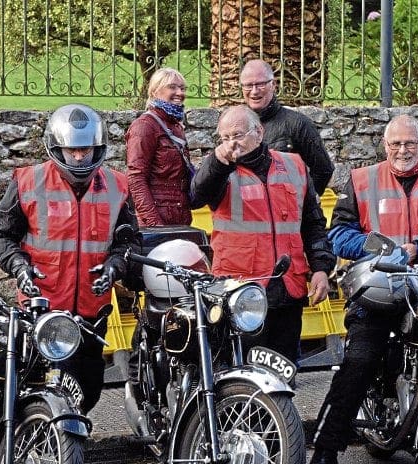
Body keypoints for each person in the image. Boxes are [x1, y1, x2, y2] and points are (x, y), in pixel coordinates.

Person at [304, 114, 418, 464]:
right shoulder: (362, 180)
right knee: (358, 362)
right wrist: (376, 247)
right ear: (385, 146)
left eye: (410, 144)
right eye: (395, 144)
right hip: (377, 290)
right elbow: (339, 236)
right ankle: (325, 452)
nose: (403, 150)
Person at [0, 104, 137, 464]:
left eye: (86, 149)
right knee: (36, 387)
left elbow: (128, 240)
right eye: (73, 150)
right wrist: (18, 265)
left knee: (86, 387)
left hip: (91, 309)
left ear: (98, 148)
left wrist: (117, 266)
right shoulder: (27, 181)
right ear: (57, 147)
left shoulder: (119, 185)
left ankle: (73, 460)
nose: (80, 156)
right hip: (43, 308)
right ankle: (30, 461)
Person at [190, 105, 336, 364]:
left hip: (287, 287)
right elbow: (196, 194)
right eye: (225, 138)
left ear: (258, 132)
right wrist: (218, 160)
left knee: (284, 373)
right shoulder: (222, 171)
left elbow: (312, 223)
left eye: (238, 135)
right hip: (240, 291)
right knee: (242, 373)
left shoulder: (294, 165)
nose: (232, 143)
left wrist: (321, 267)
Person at [240, 59, 334, 196]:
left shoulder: (298, 124)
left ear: (273, 85)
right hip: (248, 211)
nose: (254, 91)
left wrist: (300, 202)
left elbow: (323, 170)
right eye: (248, 85)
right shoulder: (235, 126)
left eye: (260, 84)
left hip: (287, 213)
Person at [125, 67, 194, 227]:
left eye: (182, 88)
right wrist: (155, 225)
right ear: (155, 91)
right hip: (156, 219)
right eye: (172, 87)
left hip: (180, 216)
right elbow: (136, 178)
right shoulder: (144, 127)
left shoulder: (175, 126)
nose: (180, 93)